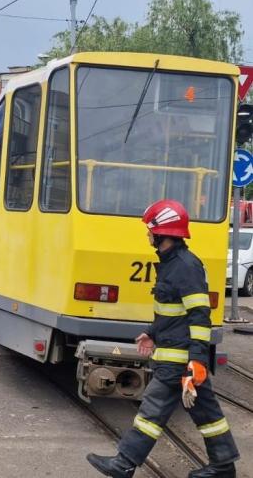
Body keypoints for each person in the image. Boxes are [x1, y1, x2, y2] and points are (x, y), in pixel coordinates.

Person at [87, 199, 239, 478]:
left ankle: (123, 464)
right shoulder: (172, 264)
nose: (147, 235)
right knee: (207, 415)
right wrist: (152, 332)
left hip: (179, 359)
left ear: (163, 234)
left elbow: (199, 315)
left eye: (150, 230)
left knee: (151, 412)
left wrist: (196, 361)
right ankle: (223, 465)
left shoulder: (185, 266)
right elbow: (172, 311)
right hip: (175, 352)